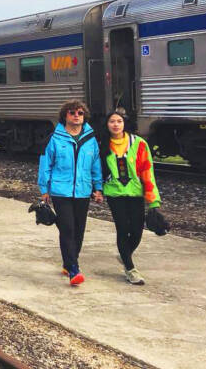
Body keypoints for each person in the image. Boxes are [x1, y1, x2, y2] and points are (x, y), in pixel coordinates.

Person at [38, 100, 103, 286]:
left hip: (83, 191)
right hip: (61, 191)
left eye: (80, 113)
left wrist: (98, 188)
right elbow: (45, 164)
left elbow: (95, 165)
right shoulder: (54, 138)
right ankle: (74, 269)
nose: (76, 116)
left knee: (79, 230)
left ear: (84, 116)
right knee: (67, 227)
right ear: (65, 116)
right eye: (72, 112)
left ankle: (69, 262)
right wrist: (44, 189)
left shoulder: (90, 139)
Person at [97, 109, 161, 285]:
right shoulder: (101, 145)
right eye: (112, 121)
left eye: (119, 121)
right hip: (114, 193)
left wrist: (153, 200)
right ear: (107, 125)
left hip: (135, 192)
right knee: (122, 228)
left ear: (124, 123)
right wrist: (97, 189)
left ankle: (125, 254)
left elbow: (147, 171)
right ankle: (130, 268)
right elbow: (95, 170)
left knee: (137, 230)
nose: (116, 124)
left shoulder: (139, 143)